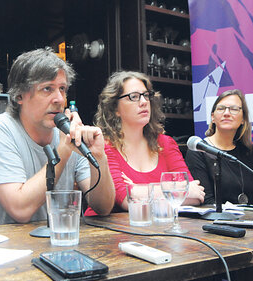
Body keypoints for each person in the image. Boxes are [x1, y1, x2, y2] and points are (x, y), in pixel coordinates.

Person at [0, 48, 115, 224]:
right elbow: (20, 209)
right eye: (47, 89)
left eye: (62, 89)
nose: (59, 99)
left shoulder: (68, 132)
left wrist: (99, 157)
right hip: (10, 246)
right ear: (19, 95)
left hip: (62, 242)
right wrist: (63, 152)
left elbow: (103, 207)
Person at [87, 71, 205, 214]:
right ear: (115, 108)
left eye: (146, 95)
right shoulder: (105, 147)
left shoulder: (165, 143)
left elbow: (196, 195)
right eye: (134, 97)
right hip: (109, 233)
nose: (143, 102)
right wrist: (174, 190)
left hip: (155, 230)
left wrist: (135, 189)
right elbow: (125, 200)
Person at [186, 89, 253, 205]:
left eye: (234, 109)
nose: (227, 113)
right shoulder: (198, 151)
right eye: (221, 108)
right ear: (212, 117)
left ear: (243, 119)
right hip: (217, 221)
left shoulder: (251, 153)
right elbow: (206, 202)